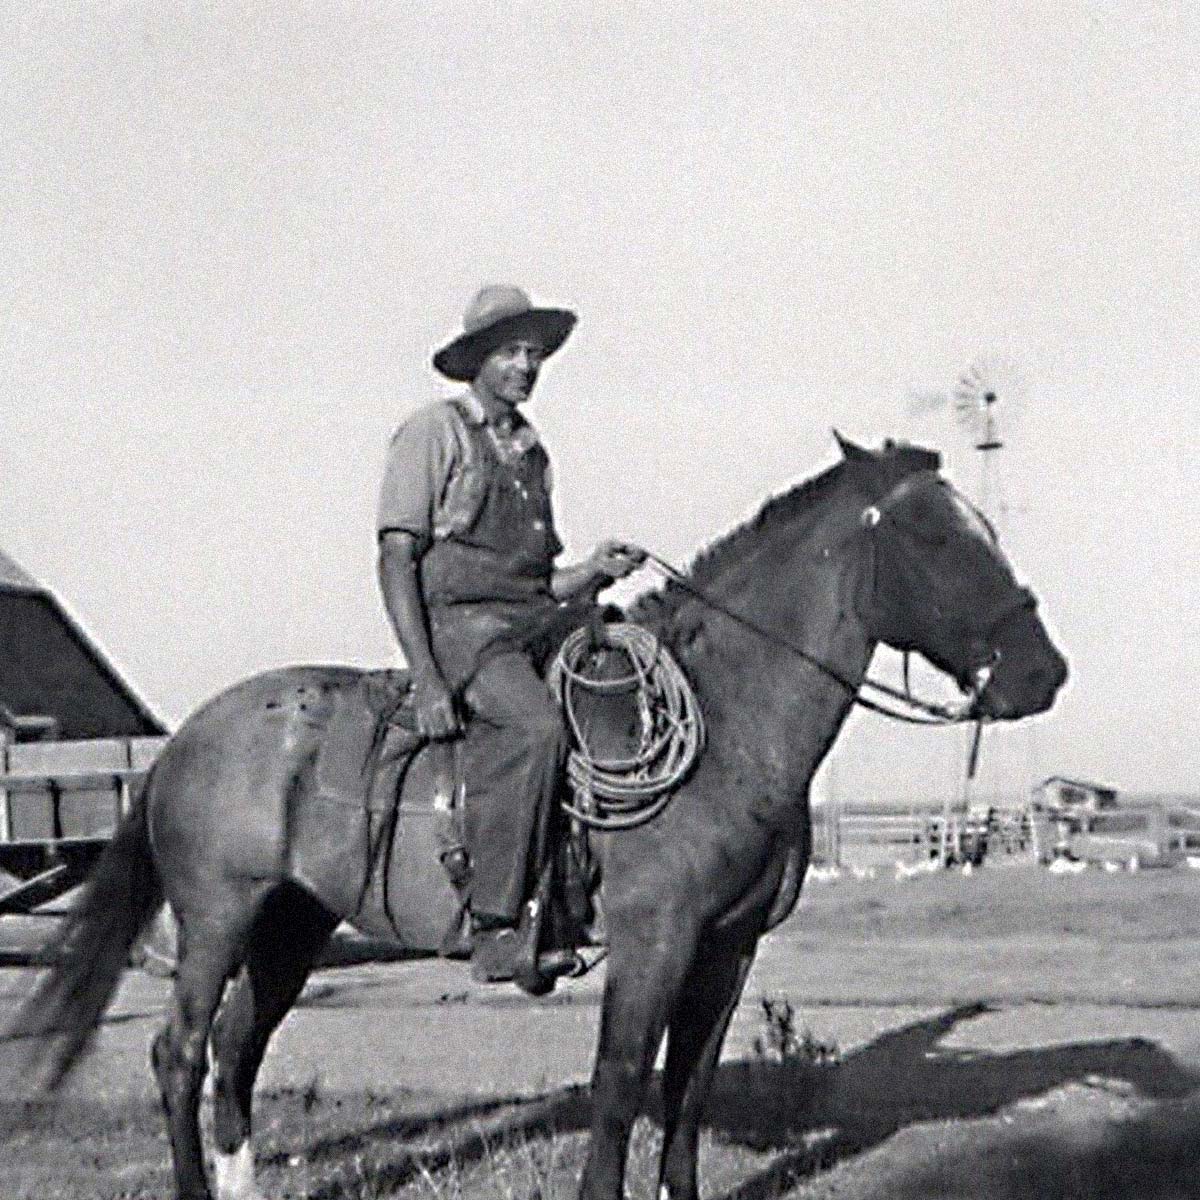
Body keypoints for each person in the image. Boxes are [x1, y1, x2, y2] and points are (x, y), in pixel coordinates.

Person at [376, 284, 644, 984]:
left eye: (534, 354)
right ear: (476, 361)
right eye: (510, 353)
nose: (526, 367)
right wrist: (429, 677)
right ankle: (495, 925)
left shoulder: (531, 451)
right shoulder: (434, 433)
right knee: (536, 729)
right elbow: (396, 560)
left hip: (525, 620)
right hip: (461, 628)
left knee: (611, 694)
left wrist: (591, 572)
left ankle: (571, 901)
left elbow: (535, 582)